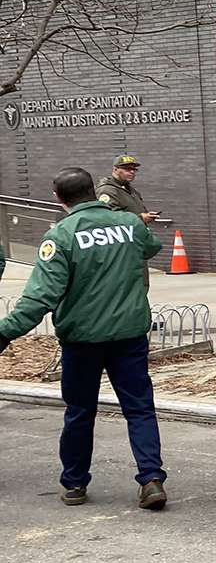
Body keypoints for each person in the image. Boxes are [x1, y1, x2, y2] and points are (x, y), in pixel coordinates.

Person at [0, 168, 168, 510]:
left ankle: (75, 483)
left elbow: (40, 298)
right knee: (139, 408)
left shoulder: (60, 237)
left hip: (83, 339)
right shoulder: (131, 225)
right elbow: (152, 246)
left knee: (80, 411)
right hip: (130, 333)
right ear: (93, 191)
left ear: (58, 198)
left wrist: (5, 332)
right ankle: (151, 479)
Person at [96, 155, 158, 286]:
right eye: (127, 169)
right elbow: (108, 217)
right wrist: (140, 218)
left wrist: (146, 215)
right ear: (115, 169)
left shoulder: (131, 190)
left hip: (135, 242)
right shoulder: (107, 190)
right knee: (129, 285)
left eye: (134, 169)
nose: (132, 172)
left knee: (141, 284)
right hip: (121, 246)